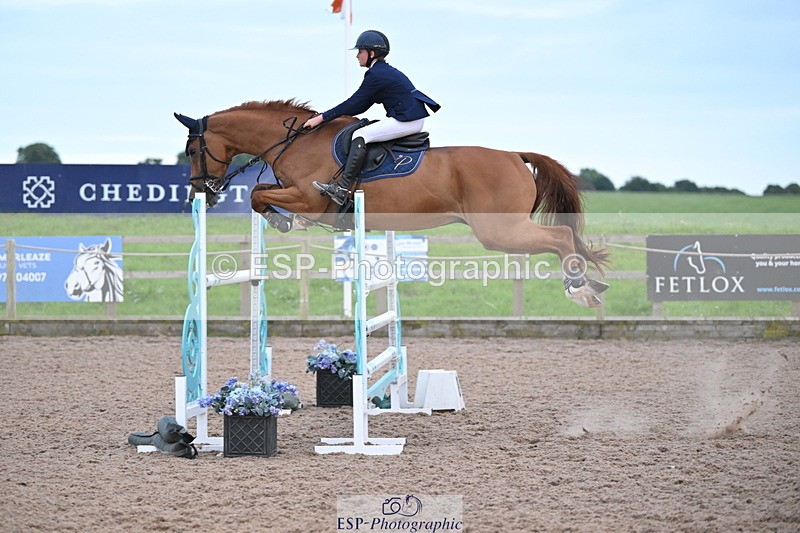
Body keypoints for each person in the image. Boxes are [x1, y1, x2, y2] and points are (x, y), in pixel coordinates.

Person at [303, 30, 440, 205]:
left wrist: (321, 118)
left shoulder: (377, 74)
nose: (357, 56)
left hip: (407, 121)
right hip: (409, 118)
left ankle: (342, 188)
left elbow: (353, 103)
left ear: (372, 53)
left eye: (360, 51)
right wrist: (330, 117)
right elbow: (361, 105)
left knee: (360, 135)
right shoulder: (381, 72)